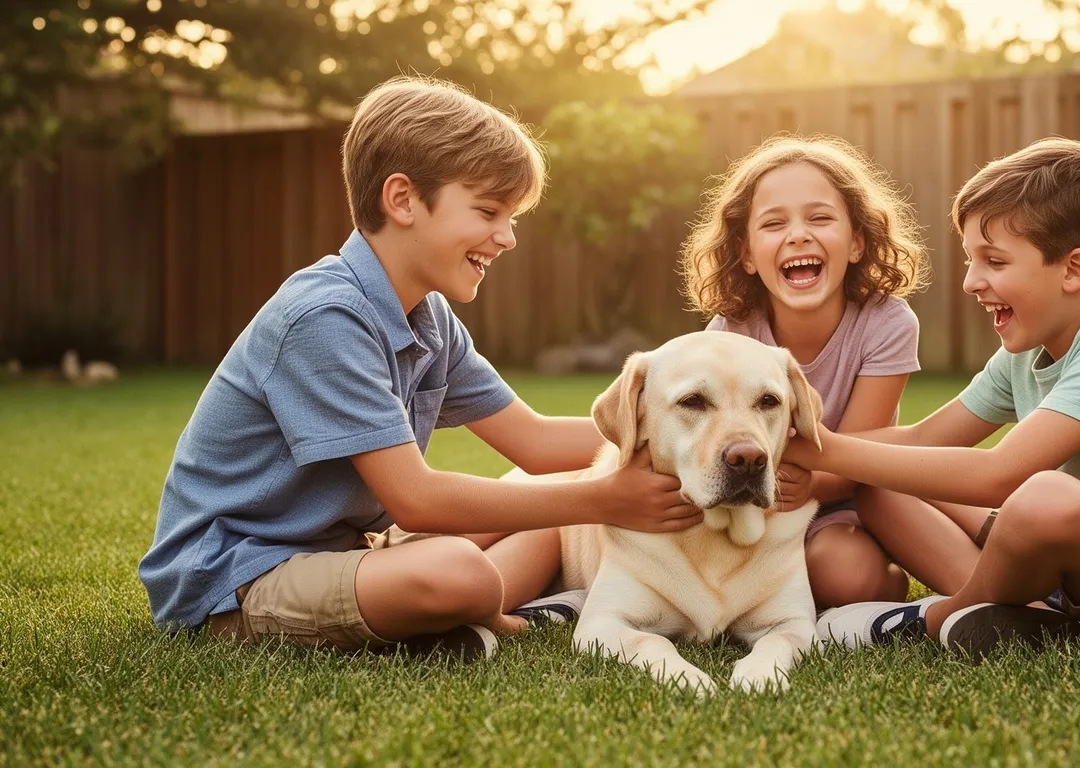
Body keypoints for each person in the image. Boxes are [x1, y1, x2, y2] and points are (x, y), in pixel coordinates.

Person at [139, 76, 701, 660]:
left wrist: (688, 431)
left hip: (340, 550)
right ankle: (505, 615)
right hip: (235, 575)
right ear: (403, 199)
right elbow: (419, 501)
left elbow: (533, 442)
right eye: (488, 211)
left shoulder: (426, 315)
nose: (507, 238)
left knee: (548, 500)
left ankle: (483, 619)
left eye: (511, 217)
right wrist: (604, 498)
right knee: (461, 571)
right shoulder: (324, 316)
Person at [785, 137, 1080, 658]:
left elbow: (1002, 474)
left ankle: (934, 618)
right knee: (884, 482)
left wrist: (825, 449)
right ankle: (1025, 617)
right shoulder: (1027, 349)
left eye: (993, 261)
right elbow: (923, 438)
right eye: (971, 260)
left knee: (1044, 497)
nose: (971, 282)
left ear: (1074, 270)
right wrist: (789, 452)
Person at [681, 135, 942, 609]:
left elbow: (856, 456)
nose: (798, 234)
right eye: (774, 223)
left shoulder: (887, 323)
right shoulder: (731, 329)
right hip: (746, 499)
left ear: (858, 241)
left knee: (844, 579)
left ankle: (884, 580)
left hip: (840, 502)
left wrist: (811, 484)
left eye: (820, 218)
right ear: (745, 254)